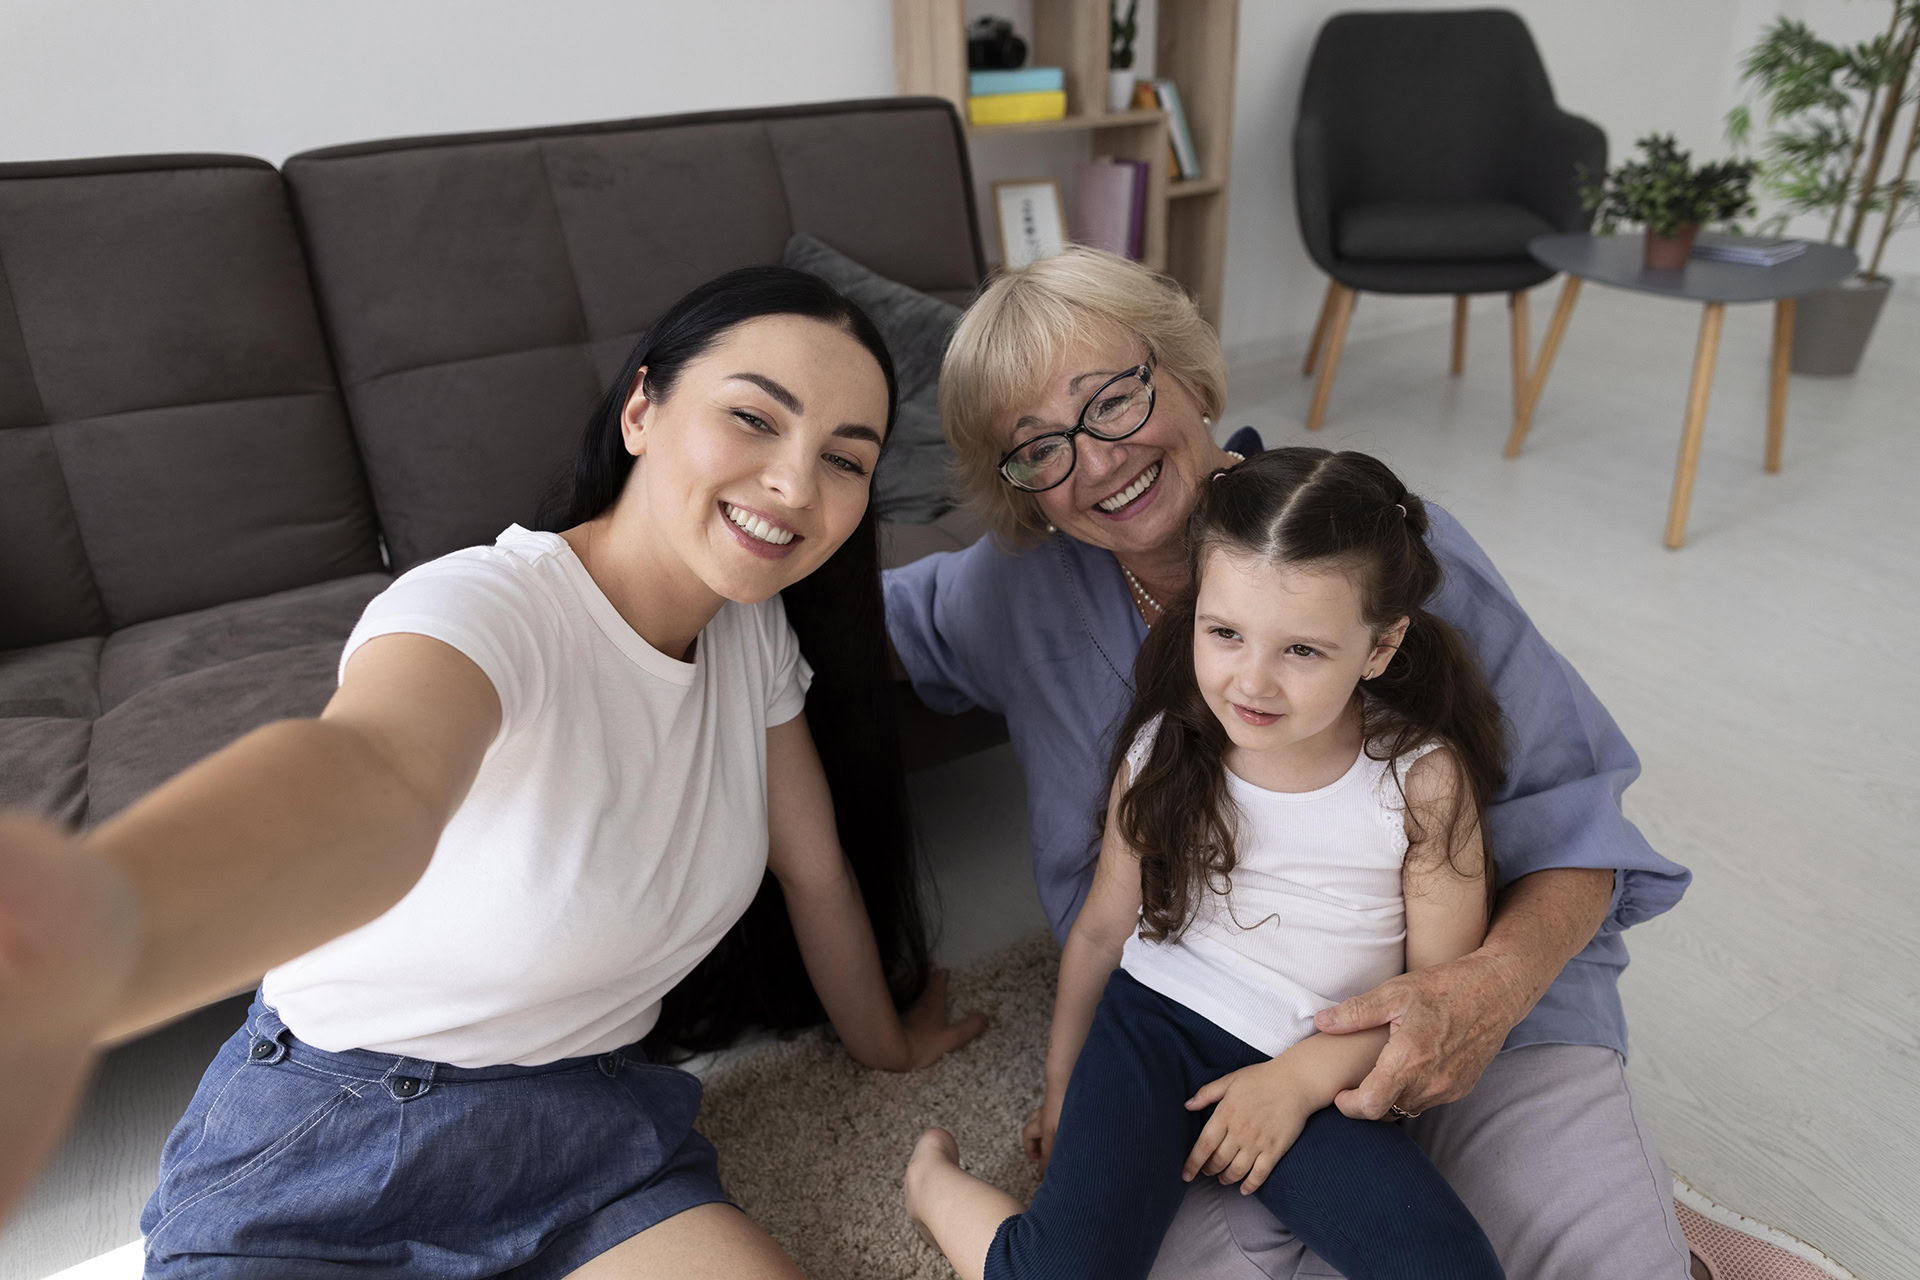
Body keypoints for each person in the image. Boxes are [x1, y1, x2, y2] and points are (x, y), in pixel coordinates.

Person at [0, 266, 984, 1278]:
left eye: (844, 459)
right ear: (642, 408)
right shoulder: (488, 606)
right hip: (340, 1125)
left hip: (587, 1123)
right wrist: (83, 938)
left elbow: (812, 868)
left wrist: (884, 1047)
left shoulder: (753, 632)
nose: (794, 484)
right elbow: (373, 778)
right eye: (752, 417)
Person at [883, 248, 1695, 1279]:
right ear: (1023, 489)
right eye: (1037, 447)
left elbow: (1577, 826)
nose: (1092, 462)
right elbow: (843, 624)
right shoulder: (1015, 588)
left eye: (1114, 399)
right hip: (1189, 1042)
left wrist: (1480, 992)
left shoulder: (1380, 553)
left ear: (1186, 370)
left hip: (1474, 1004)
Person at [907, 448, 1508, 1280]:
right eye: (1224, 634)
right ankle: (930, 1184)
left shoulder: (1422, 782)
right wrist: (1062, 1087)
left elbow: (1434, 1004)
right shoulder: (1163, 749)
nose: (1252, 682)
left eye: (1302, 651)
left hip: (1322, 1066)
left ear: (1380, 646)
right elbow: (1100, 934)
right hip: (1153, 1027)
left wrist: (1296, 1083)